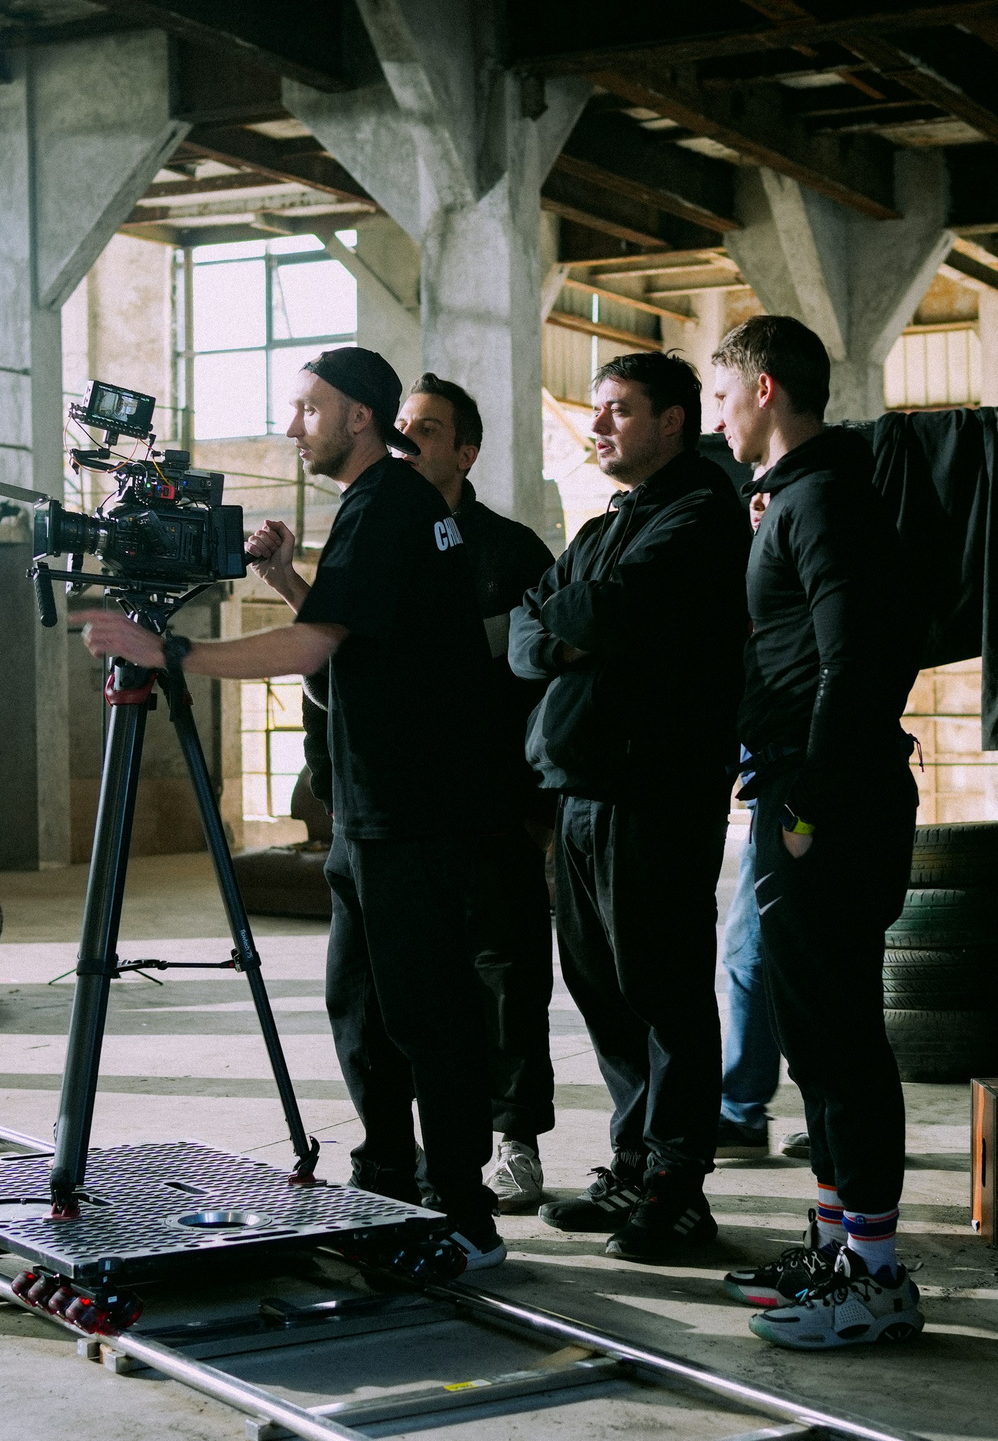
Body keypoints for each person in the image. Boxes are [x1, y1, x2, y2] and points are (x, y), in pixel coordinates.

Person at [80, 346, 508, 1270]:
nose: (292, 425)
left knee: (425, 1010)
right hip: (374, 806)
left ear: (360, 416)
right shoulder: (390, 505)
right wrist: (284, 579)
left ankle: (465, 1211)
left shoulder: (386, 503)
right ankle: (389, 1182)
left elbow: (316, 650)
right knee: (361, 1005)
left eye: (308, 408)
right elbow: (361, 635)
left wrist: (172, 653)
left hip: (410, 806)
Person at [709, 316, 924, 1349]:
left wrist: (806, 806)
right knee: (812, 1039)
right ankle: (844, 1249)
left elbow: (859, 664)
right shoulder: (794, 498)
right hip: (797, 792)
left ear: (761, 388)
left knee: (840, 1041)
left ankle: (876, 1279)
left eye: (719, 395)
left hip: (825, 803)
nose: (716, 417)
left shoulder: (825, 497)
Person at [511, 352, 750, 1263]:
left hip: (655, 791)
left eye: (618, 410)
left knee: (664, 989)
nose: (600, 425)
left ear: (675, 421)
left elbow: (605, 616)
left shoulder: (699, 516)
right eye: (597, 409)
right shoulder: (612, 521)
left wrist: (580, 628)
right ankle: (632, 1160)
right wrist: (571, 632)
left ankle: (679, 1187)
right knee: (602, 988)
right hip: (581, 792)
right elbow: (533, 633)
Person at [394, 373, 561, 1214]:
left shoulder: (514, 553)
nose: (406, 439)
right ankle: (428, 1148)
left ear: (465, 451)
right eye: (400, 426)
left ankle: (516, 1141)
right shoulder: (376, 541)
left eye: (425, 429)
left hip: (495, 808)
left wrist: (541, 810)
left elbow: (547, 690)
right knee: (421, 985)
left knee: (508, 977)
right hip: (404, 814)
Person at [716, 487, 778, 1161]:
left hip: (795, 795)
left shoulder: (792, 573)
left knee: (750, 954)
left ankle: (741, 1109)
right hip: (776, 792)